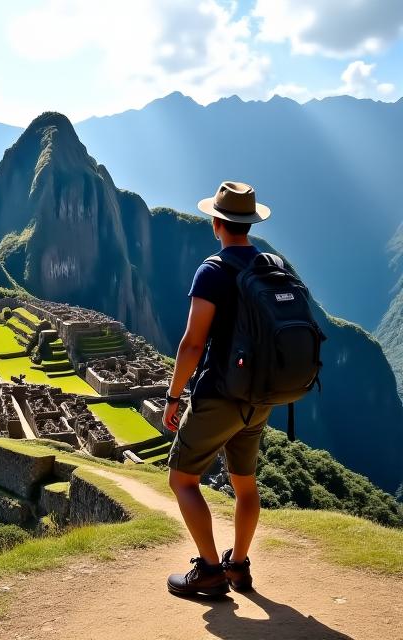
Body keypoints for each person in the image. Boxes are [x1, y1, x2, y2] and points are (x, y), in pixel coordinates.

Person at [164, 181, 272, 597]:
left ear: (216, 224)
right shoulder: (269, 265)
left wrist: (174, 397)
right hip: (259, 399)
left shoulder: (213, 270)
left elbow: (193, 343)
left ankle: (209, 570)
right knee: (245, 484)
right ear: (249, 223)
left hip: (220, 396)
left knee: (182, 479)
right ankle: (239, 567)